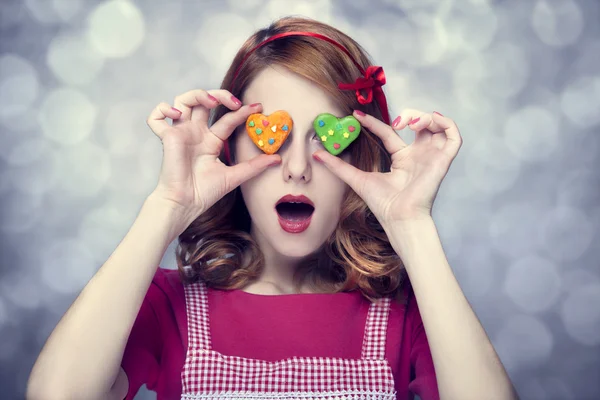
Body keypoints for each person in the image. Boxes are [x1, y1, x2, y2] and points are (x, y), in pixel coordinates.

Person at [26, 16, 519, 400]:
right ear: (230, 149)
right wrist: (169, 203)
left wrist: (413, 225)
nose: (298, 169)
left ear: (361, 155)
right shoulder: (165, 303)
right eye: (273, 136)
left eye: (327, 138)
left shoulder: (410, 315)